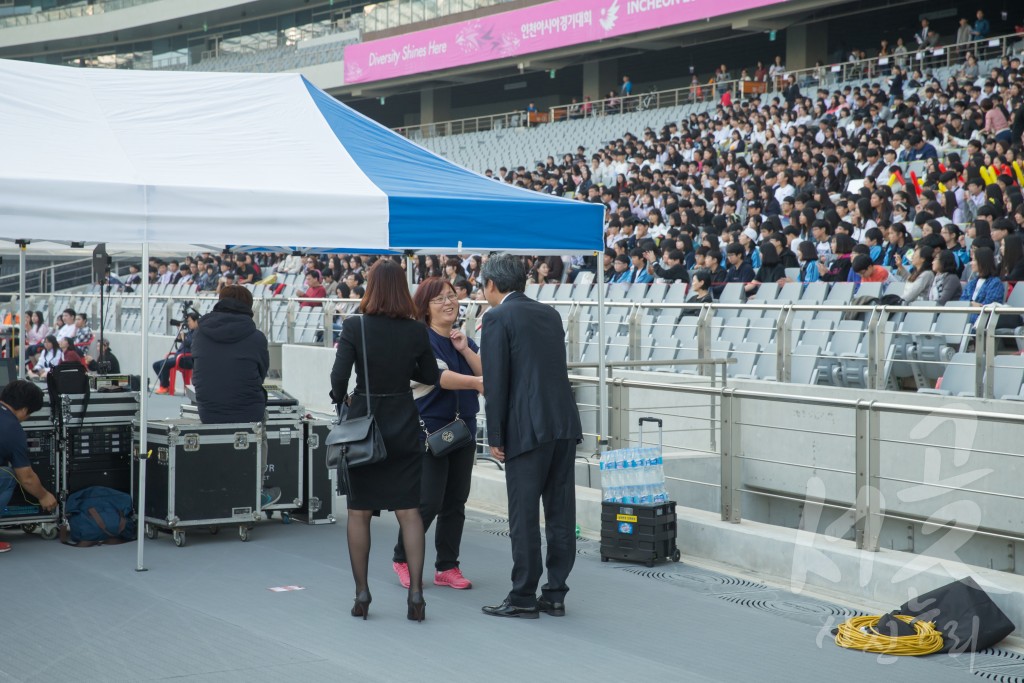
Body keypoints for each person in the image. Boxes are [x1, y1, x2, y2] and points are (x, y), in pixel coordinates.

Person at [330, 259, 439, 622]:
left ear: (371, 286)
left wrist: (348, 398)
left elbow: (337, 381)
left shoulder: (354, 326)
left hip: (365, 427)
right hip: (404, 424)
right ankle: (417, 595)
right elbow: (428, 375)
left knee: (359, 513)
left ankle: (362, 593)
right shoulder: (414, 331)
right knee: (409, 512)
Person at [479, 254, 582, 619]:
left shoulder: (495, 317)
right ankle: (555, 592)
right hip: (562, 423)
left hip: (525, 427)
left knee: (523, 516)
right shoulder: (549, 313)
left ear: (491, 284)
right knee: (560, 512)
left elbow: (496, 382)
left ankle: (523, 595)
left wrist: (494, 434)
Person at [391, 278, 483, 592]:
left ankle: (447, 566)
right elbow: (441, 377)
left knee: (456, 501)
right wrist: (477, 383)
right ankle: (402, 557)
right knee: (428, 501)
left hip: (465, 428)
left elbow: (485, 371)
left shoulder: (462, 338)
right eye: (439, 299)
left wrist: (466, 348)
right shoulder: (421, 338)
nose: (448, 303)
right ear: (425, 306)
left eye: (452, 296)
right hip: (431, 430)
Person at [191, 286, 279, 508]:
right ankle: (256, 491)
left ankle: (215, 488)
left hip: (209, 411)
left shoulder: (200, 333)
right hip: (248, 412)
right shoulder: (257, 337)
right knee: (261, 435)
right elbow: (260, 374)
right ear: (249, 307)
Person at [0, 381, 58, 553]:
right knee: (8, 475)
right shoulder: (12, 428)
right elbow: (26, 477)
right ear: (25, 410)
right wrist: (44, 495)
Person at [153, 312, 198, 395]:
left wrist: (183, 334)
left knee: (164, 364)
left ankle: (164, 387)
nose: (188, 323)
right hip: (179, 358)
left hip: (186, 359)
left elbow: (189, 343)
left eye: (189, 321)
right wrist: (179, 330)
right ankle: (167, 385)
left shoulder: (197, 333)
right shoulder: (190, 332)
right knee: (156, 365)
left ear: (196, 321)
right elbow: (180, 340)